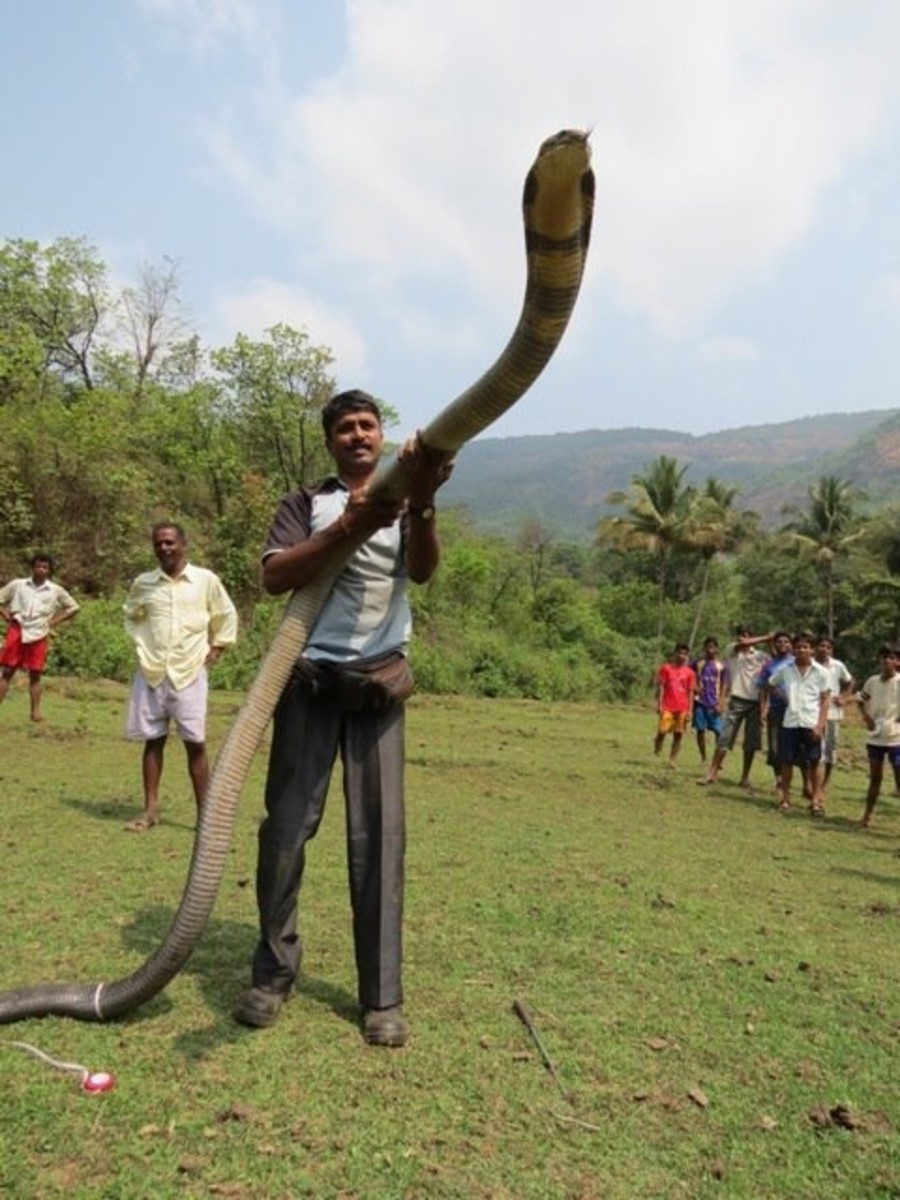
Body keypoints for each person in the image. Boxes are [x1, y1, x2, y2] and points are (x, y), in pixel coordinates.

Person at [233, 389, 453, 1048]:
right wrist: (346, 527)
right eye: (346, 428)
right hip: (307, 686)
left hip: (378, 691)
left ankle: (381, 999)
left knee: (380, 843)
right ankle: (272, 975)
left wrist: (423, 501)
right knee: (284, 837)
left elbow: (423, 570)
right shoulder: (307, 504)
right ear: (330, 441)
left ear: (382, 436)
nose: (358, 435)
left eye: (368, 425)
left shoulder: (407, 499)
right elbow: (275, 578)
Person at [123, 522, 238, 832]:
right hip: (153, 671)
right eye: (159, 543)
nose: (164, 548)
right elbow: (130, 614)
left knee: (195, 744)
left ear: (183, 544)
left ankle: (205, 817)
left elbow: (224, 614)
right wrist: (141, 643)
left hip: (189, 672)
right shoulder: (144, 583)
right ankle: (149, 811)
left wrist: (218, 647)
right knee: (153, 740)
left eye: (170, 542)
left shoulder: (205, 581)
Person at [0, 553, 79, 722]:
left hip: (39, 633)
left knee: (35, 674)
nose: (41, 570)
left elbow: (73, 608)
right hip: (18, 629)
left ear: (49, 571)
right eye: (38, 566)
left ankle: (35, 712)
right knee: (7, 671)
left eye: (45, 567)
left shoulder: (55, 590)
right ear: (32, 567)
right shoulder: (18, 585)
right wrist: (6, 615)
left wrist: (54, 622)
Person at [700, 626, 772, 788]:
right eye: (740, 636)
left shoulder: (761, 656)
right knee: (724, 738)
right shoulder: (732, 651)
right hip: (736, 700)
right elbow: (742, 644)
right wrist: (767, 637)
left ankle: (745, 776)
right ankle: (712, 772)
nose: (743, 639)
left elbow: (771, 668)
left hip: (755, 702)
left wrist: (764, 707)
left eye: (746, 636)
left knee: (751, 743)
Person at [767, 632, 831, 815]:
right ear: (793, 650)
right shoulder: (786, 670)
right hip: (791, 722)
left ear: (811, 649)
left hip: (811, 722)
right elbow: (771, 684)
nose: (802, 650)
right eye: (798, 647)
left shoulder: (822, 672)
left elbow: (825, 700)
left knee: (814, 761)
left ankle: (816, 801)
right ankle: (785, 798)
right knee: (786, 761)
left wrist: (820, 725)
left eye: (805, 647)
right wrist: (786, 698)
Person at [856, 644, 900, 829]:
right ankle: (867, 815)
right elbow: (861, 700)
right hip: (876, 736)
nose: (888, 661)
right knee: (875, 778)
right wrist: (867, 717)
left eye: (892, 658)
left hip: (896, 737)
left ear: (898, 662)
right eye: (884, 657)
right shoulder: (872, 681)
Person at [813, 635, 854, 796]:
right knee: (816, 751)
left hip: (833, 714)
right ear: (816, 647)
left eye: (828, 647)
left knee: (830, 750)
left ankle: (824, 783)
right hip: (813, 713)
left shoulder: (837, 665)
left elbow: (850, 681)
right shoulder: (810, 664)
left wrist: (844, 697)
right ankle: (813, 784)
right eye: (821, 646)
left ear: (832, 650)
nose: (824, 649)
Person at [757, 632, 794, 804]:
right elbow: (763, 688)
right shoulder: (768, 666)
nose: (782, 644)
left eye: (786, 641)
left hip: (795, 711)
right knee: (774, 748)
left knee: (795, 749)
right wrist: (763, 709)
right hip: (776, 710)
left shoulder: (796, 662)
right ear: (774, 645)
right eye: (779, 642)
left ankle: (804, 786)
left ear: (791, 644)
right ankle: (779, 781)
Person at [654, 643, 695, 766]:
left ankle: (672, 760)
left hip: (682, 707)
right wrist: (659, 704)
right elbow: (661, 687)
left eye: (685, 654)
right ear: (675, 653)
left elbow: (691, 692)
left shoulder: (690, 673)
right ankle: (658, 743)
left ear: (687, 656)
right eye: (680, 653)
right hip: (667, 706)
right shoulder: (666, 668)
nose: (682, 656)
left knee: (678, 734)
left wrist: (690, 710)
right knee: (662, 731)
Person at [690, 637, 728, 764]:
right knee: (700, 730)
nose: (710, 649)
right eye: (707, 646)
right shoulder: (697, 663)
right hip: (700, 702)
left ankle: (717, 761)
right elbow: (688, 675)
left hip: (714, 703)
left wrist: (721, 703)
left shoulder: (721, 666)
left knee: (719, 732)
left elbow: (724, 685)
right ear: (704, 647)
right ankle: (703, 758)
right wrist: (694, 686)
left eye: (712, 646)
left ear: (717, 648)